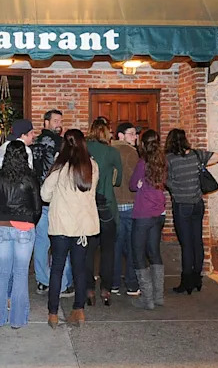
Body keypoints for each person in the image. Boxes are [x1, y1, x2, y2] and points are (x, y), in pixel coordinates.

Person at [41, 129, 99, 329]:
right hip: (83, 227)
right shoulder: (92, 166)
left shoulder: (60, 168)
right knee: (80, 269)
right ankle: (79, 311)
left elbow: (44, 194)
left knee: (56, 269)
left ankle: (53, 313)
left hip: (61, 226)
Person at [0, 141, 41, 329]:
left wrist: (0, 219)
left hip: (2, 225)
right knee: (20, 273)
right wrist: (30, 221)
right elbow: (37, 206)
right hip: (24, 226)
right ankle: (17, 320)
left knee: (2, 272)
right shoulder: (30, 177)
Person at [165, 128, 218, 294]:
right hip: (198, 204)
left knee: (186, 244)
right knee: (197, 240)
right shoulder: (196, 155)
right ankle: (197, 278)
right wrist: (201, 165)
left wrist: (175, 188)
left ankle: (187, 281)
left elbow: (165, 180)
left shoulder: (169, 159)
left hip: (182, 205)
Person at [30, 109, 71, 297]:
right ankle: (61, 283)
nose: (59, 124)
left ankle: (42, 281)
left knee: (40, 242)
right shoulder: (60, 144)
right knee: (60, 242)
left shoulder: (33, 143)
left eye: (60, 120)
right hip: (56, 199)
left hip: (38, 199)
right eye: (55, 120)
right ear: (45, 122)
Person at [84, 117, 121, 307]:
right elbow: (118, 180)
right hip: (107, 205)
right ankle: (106, 289)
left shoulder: (84, 150)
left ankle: (89, 289)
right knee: (108, 251)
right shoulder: (112, 152)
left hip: (88, 206)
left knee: (88, 251)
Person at [129, 129, 167, 310]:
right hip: (159, 212)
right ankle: (158, 296)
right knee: (154, 252)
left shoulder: (142, 163)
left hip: (143, 212)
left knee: (138, 254)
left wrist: (139, 184)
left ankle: (147, 298)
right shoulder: (162, 161)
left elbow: (132, 185)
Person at [110, 122, 140, 296]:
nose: (135, 137)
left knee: (115, 246)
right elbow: (135, 179)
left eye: (135, 134)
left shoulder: (109, 150)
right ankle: (131, 284)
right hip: (129, 203)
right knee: (131, 246)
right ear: (120, 135)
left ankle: (113, 283)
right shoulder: (131, 153)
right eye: (131, 133)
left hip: (113, 205)